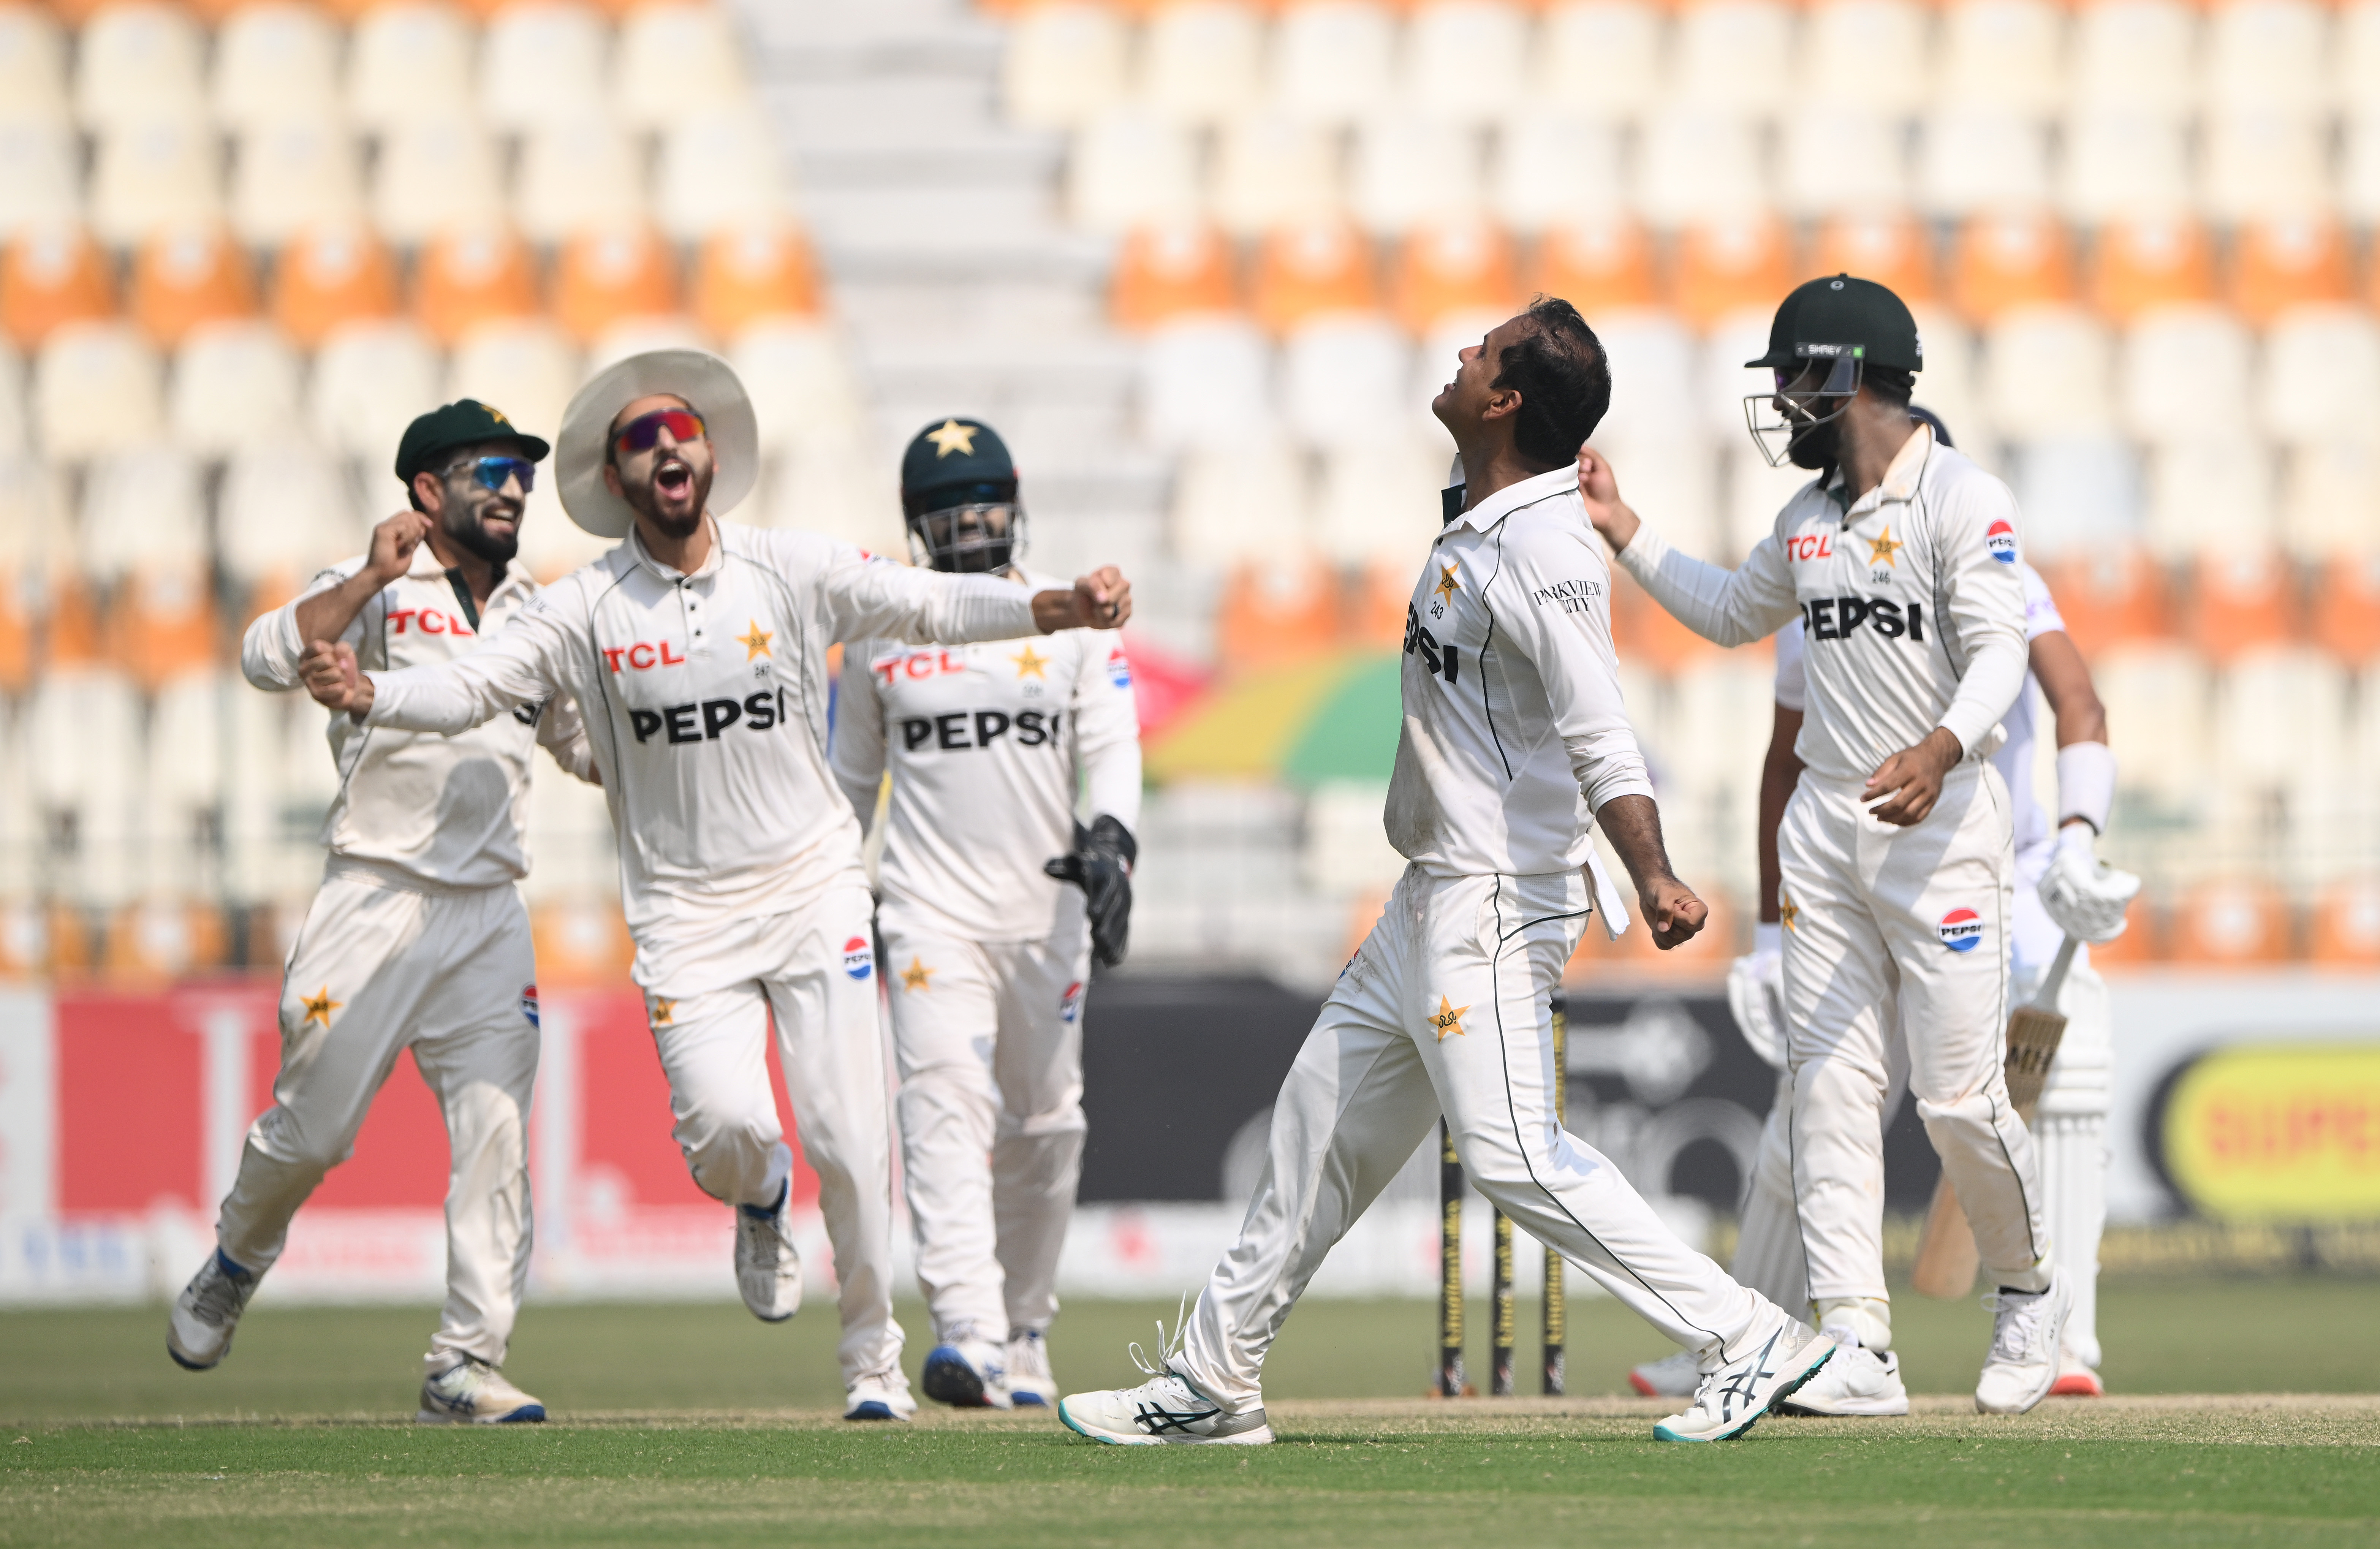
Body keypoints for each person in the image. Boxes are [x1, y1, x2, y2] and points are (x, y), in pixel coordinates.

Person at [1056, 299, 1837, 1449]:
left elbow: (1602, 728)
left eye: (1483, 351)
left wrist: (1655, 870)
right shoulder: (1487, 522)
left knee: (1518, 1155)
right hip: (1429, 893)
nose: (1460, 355)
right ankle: (1213, 1381)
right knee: (1313, 1130)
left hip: (1494, 899)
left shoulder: (1549, 548)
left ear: (1507, 400)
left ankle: (1750, 1336)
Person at [297, 351, 1132, 1422]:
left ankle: (873, 1359)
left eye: (678, 431)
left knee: (850, 1138)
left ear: (710, 454)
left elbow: (921, 605)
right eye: (639, 443)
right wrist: (372, 693)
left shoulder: (787, 566)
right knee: (725, 1132)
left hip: (813, 888)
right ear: (618, 483)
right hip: (684, 915)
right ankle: (760, 1196)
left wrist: (1057, 606)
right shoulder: (582, 608)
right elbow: (473, 686)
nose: (665, 451)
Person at [1576, 274, 2077, 1416]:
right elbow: (1724, 611)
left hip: (1943, 838)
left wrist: (1947, 747)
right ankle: (1859, 1345)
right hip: (1826, 846)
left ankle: (2027, 1291)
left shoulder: (1961, 497)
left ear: (1850, 373)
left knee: (1958, 1101)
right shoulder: (1805, 525)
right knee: (1830, 1097)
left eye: (1797, 376)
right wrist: (1624, 530)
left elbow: (2002, 655)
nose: (1787, 399)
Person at [170, 399, 596, 1424]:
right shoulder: (374, 589)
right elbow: (264, 655)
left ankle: (466, 1362)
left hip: (491, 909)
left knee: (497, 1136)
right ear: (426, 491)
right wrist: (366, 578)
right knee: (313, 1134)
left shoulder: (544, 609)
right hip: (373, 894)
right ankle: (237, 1257)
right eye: (490, 469)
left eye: (523, 474)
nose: (513, 488)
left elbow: (581, 746)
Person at [831, 417, 1142, 1411]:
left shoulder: (1071, 620)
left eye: (986, 509)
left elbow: (1116, 745)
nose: (972, 530)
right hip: (927, 913)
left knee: (1049, 1124)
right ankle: (968, 1332)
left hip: (1045, 913)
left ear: (1016, 509)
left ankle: (1025, 1327)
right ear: (918, 530)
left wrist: (1114, 841)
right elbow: (850, 784)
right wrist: (835, 895)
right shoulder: (885, 631)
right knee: (944, 1110)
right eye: (948, 517)